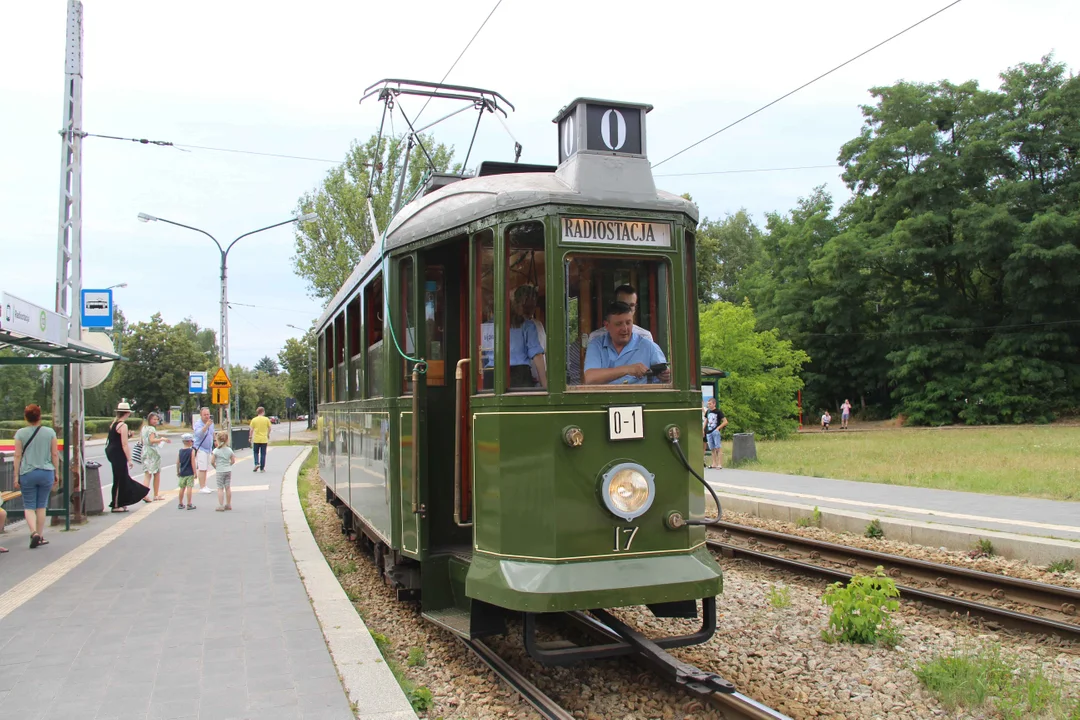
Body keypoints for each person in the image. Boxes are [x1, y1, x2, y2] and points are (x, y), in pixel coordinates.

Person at [583, 301, 670, 385]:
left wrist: (666, 376)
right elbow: (590, 379)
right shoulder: (596, 345)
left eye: (628, 323)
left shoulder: (649, 347)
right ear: (607, 326)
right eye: (619, 324)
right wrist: (628, 369)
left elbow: (666, 381)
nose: (625, 328)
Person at [12, 404, 59, 548]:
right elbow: (55, 454)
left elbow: (17, 455)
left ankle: (33, 533)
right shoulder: (50, 432)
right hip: (46, 472)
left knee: (29, 506)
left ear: (26, 417)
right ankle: (40, 534)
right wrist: (56, 472)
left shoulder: (20, 433)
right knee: (41, 506)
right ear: (40, 416)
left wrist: (16, 476)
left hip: (28, 472)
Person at [105, 401, 150, 512]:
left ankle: (121, 501)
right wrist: (129, 459)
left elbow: (115, 440)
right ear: (127, 413)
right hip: (118, 454)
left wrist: (128, 436)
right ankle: (116, 504)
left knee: (122, 477)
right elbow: (124, 444)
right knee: (120, 478)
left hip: (111, 452)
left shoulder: (114, 424)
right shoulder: (123, 425)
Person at [508, 285, 547, 389]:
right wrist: (545, 385)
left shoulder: (491, 325)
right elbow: (537, 354)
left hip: (492, 373)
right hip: (520, 376)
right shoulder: (529, 325)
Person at [587, 285, 653, 345]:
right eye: (623, 305)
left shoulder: (644, 336)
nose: (628, 309)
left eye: (632, 305)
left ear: (635, 308)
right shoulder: (596, 337)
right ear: (613, 305)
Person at [141, 412, 171, 501]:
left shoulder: (144, 428)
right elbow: (152, 440)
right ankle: (155, 494)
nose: (155, 421)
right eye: (154, 419)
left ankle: (144, 493)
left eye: (157, 419)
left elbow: (142, 440)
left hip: (145, 451)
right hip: (152, 452)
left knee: (147, 473)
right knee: (156, 473)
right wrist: (162, 439)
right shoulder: (151, 429)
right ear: (149, 419)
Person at [193, 407, 216, 494]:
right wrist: (206, 426)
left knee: (206, 468)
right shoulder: (198, 424)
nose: (207, 416)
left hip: (208, 448)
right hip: (200, 448)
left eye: (208, 414)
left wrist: (214, 441)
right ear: (201, 415)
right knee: (202, 468)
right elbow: (199, 434)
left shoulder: (211, 423)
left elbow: (212, 432)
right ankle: (202, 486)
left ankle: (205, 485)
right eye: (205, 415)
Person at [212, 430, 236, 512]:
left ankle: (221, 505)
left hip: (219, 470)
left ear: (217, 440)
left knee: (220, 488)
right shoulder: (229, 450)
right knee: (227, 487)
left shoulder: (216, 451)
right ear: (227, 440)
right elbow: (233, 460)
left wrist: (215, 466)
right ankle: (228, 504)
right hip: (228, 470)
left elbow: (212, 462)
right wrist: (229, 464)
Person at [703, 398, 728, 469]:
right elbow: (706, 420)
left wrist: (718, 428)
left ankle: (719, 464)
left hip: (715, 431)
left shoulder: (718, 412)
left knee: (718, 447)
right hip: (709, 431)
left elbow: (725, 421)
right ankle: (714, 463)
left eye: (710, 404)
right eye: (708, 404)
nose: (709, 405)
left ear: (714, 404)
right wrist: (703, 429)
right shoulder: (708, 411)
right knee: (712, 448)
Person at [177, 434, 196, 510]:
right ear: (189, 441)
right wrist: (195, 472)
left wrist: (177, 471)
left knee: (182, 487)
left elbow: (177, 462)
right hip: (190, 472)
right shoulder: (192, 451)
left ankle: (180, 503)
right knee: (189, 487)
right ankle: (189, 503)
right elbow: (193, 462)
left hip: (182, 472)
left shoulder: (180, 451)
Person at [249, 407, 272, 472]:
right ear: (263, 412)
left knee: (256, 452)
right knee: (263, 453)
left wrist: (250, 437)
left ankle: (256, 463)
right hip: (264, 439)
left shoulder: (254, 420)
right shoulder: (266, 419)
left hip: (256, 439)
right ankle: (262, 468)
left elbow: (251, 430)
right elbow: (270, 428)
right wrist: (268, 434)